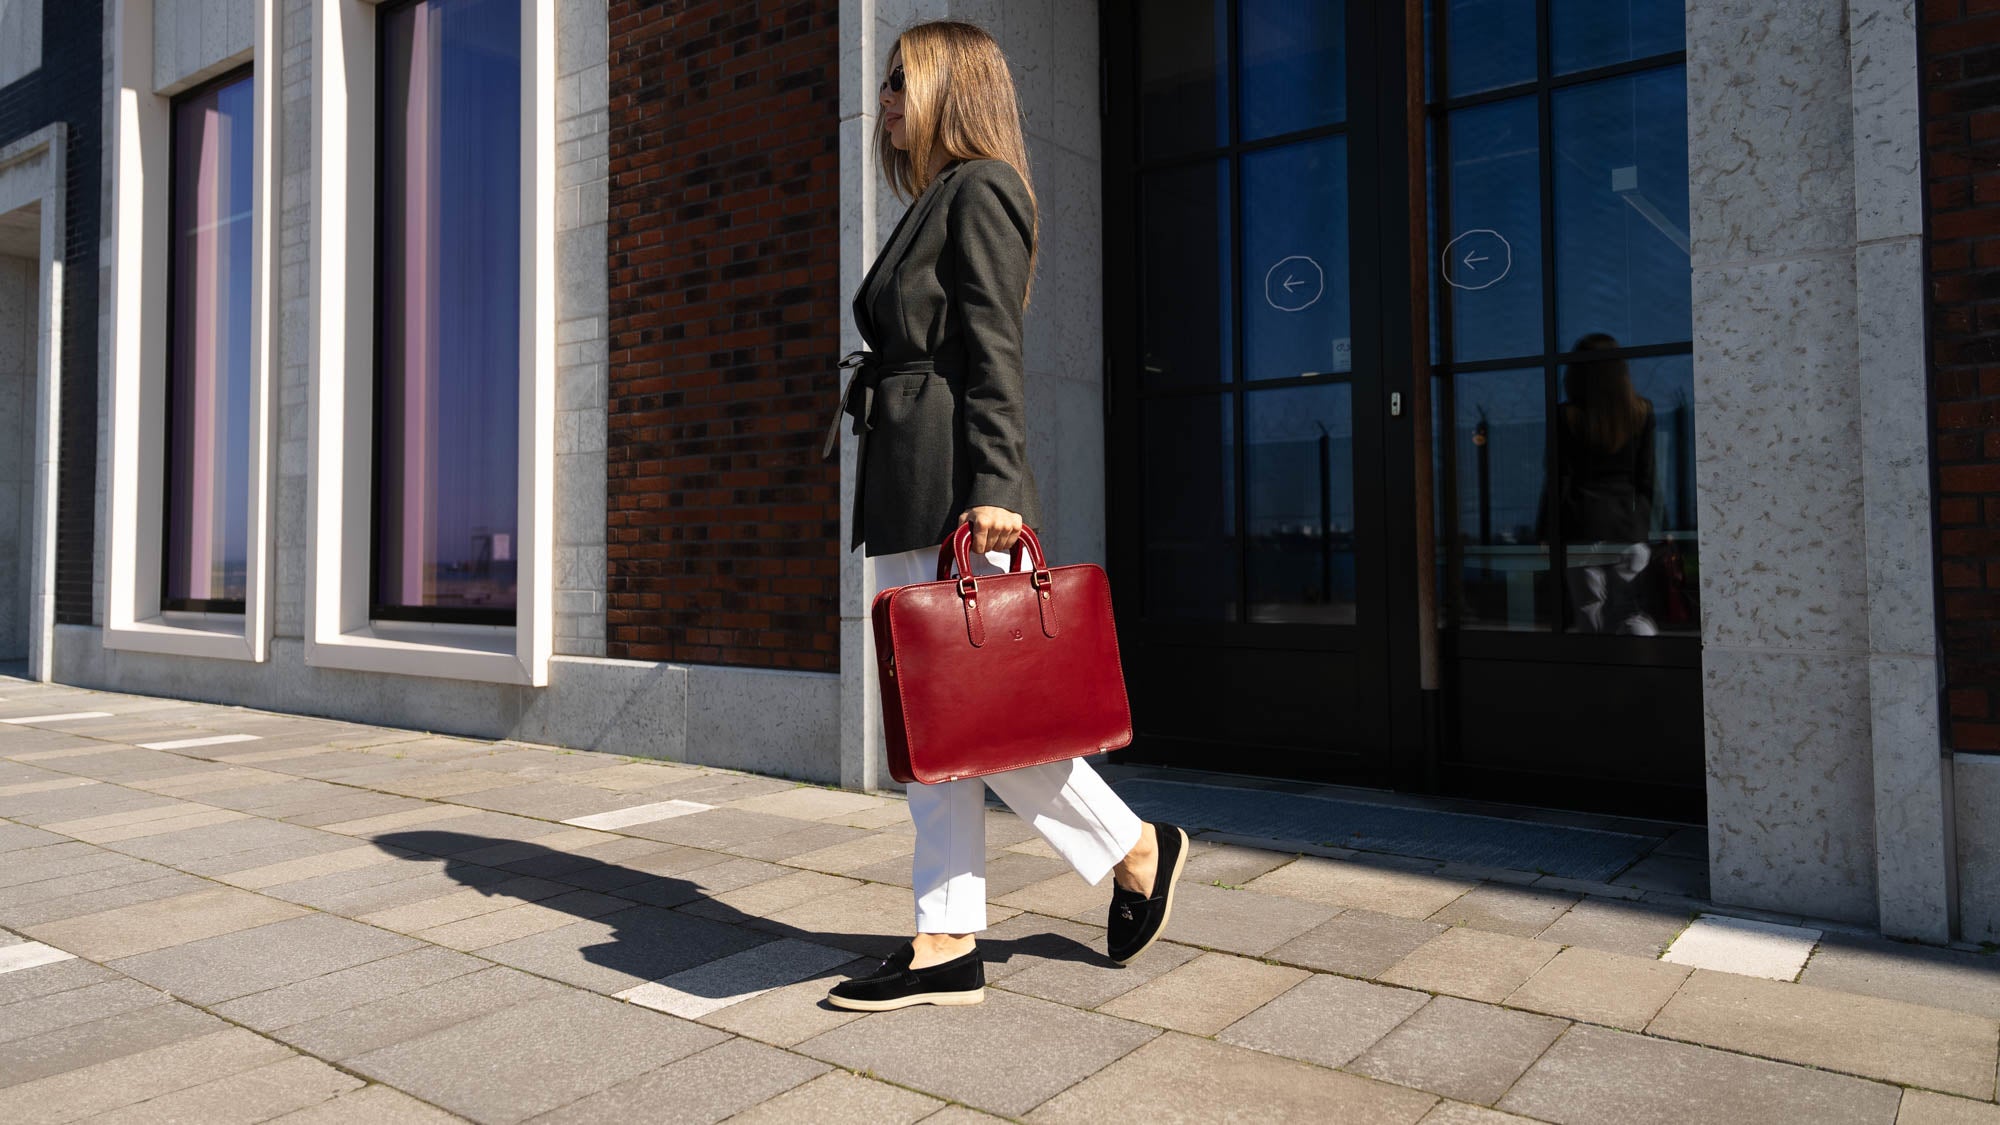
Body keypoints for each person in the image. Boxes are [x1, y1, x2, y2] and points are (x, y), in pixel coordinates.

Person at [825, 21, 1187, 1012]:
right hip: (910, 476)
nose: (885, 99)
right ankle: (954, 929)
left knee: (962, 718)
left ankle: (1107, 856)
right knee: (937, 725)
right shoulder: (937, 198)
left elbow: (993, 352)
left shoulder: (981, 188)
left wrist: (1000, 487)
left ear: (949, 87)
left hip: (951, 487)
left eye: (902, 81)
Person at [1548, 333, 1659, 636]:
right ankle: (1640, 670)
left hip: (1582, 526)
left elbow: (1559, 478)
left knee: (1589, 612)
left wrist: (1548, 529)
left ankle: (1600, 677)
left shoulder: (1565, 416)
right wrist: (1645, 527)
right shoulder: (1641, 412)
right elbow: (1646, 478)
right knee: (1629, 613)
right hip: (1629, 528)